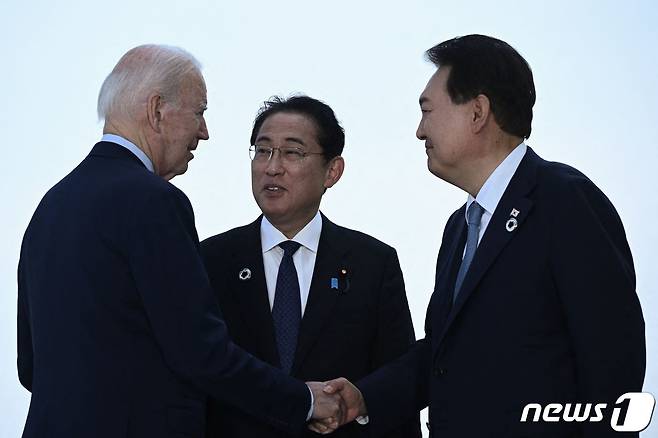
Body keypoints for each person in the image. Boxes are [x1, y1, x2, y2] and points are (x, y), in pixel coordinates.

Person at [318, 34, 646, 437]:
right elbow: (442, 353)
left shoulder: (565, 201)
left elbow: (613, 365)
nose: (420, 131)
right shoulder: (460, 227)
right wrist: (365, 397)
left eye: (427, 110)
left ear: (477, 112)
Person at [17, 45, 343, 438]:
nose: (204, 132)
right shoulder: (153, 201)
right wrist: (303, 401)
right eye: (199, 112)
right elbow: (200, 354)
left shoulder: (51, 205)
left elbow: (30, 364)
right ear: (157, 110)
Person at [200, 95, 421, 438]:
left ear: (332, 171)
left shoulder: (372, 264)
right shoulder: (211, 259)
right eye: (262, 150)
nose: (272, 167)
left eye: (292, 152)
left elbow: (395, 385)